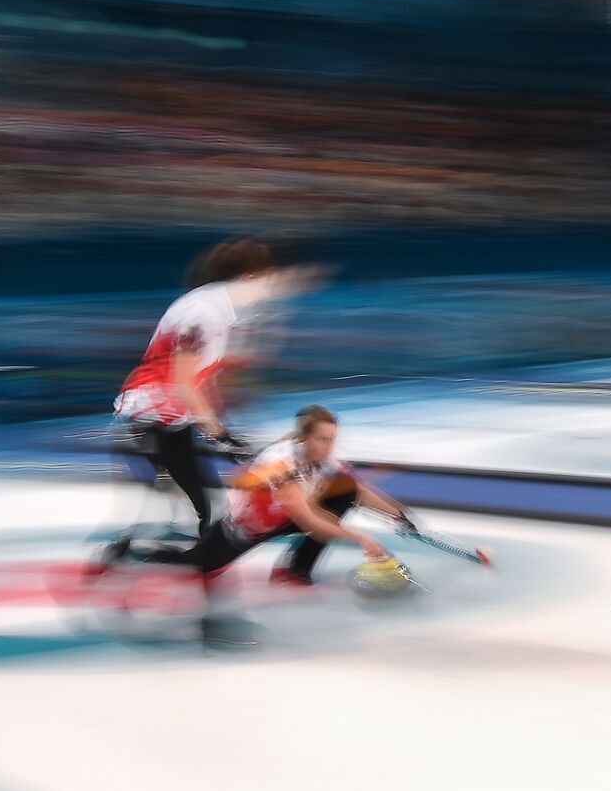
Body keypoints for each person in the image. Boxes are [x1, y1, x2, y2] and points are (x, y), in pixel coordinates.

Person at [96, 405, 405, 644]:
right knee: (199, 565)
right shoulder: (282, 462)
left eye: (332, 440)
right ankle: (132, 552)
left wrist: (398, 513)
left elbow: (357, 489)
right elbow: (309, 521)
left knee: (345, 490)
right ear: (304, 438)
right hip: (249, 527)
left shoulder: (324, 458)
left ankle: (295, 572)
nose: (328, 446)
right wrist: (362, 538)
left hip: (285, 519)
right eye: (323, 439)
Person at [112, 237, 292, 537]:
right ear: (249, 277)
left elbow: (197, 382)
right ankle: (132, 556)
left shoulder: (214, 308)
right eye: (266, 282)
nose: (267, 292)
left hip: (168, 418)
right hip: (151, 415)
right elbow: (183, 383)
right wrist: (220, 434)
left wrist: (219, 428)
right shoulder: (204, 313)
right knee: (201, 509)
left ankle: (148, 551)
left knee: (198, 506)